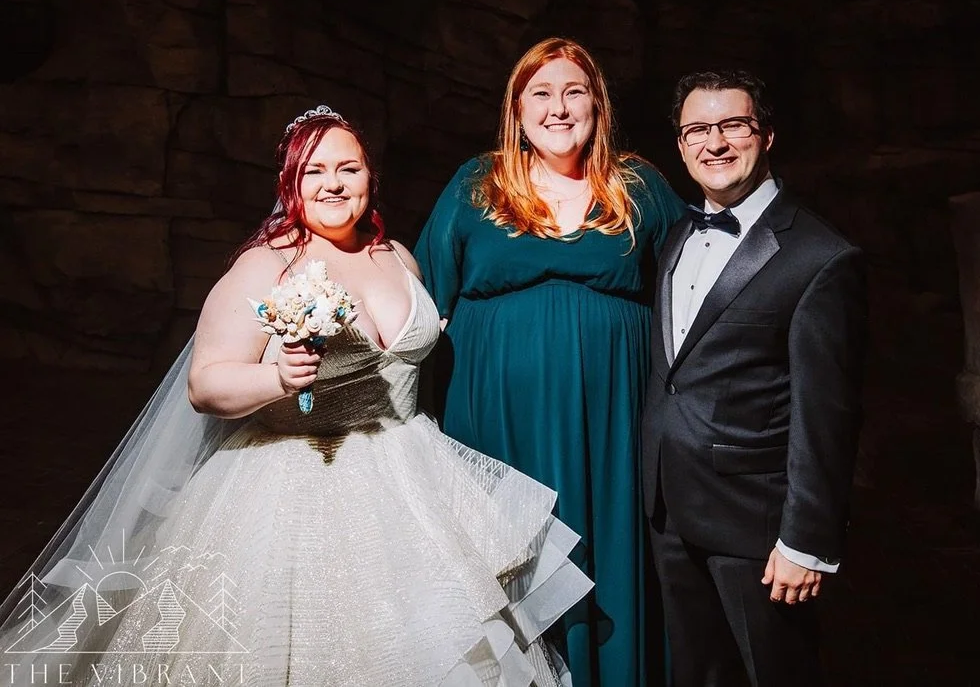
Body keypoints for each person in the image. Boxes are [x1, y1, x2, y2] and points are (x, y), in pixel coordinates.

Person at [0, 106, 592, 686]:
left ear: (370, 178)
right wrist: (277, 379)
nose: (333, 183)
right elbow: (205, 383)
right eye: (315, 171)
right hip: (294, 481)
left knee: (438, 639)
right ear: (291, 183)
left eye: (349, 168)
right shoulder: (269, 264)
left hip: (409, 471)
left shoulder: (396, 257)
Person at [414, 38, 684, 687]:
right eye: (540, 93)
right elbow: (420, 299)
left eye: (573, 92)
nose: (558, 108)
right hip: (495, 425)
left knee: (607, 564)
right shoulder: (478, 184)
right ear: (517, 109)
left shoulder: (640, 187)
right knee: (507, 572)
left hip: (613, 427)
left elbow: (694, 291)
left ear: (598, 105)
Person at [642, 70, 867, 687]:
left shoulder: (821, 257)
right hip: (669, 512)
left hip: (756, 530)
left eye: (732, 126)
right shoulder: (679, 233)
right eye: (696, 129)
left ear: (766, 134)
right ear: (681, 144)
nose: (714, 143)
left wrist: (806, 542)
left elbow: (828, 416)